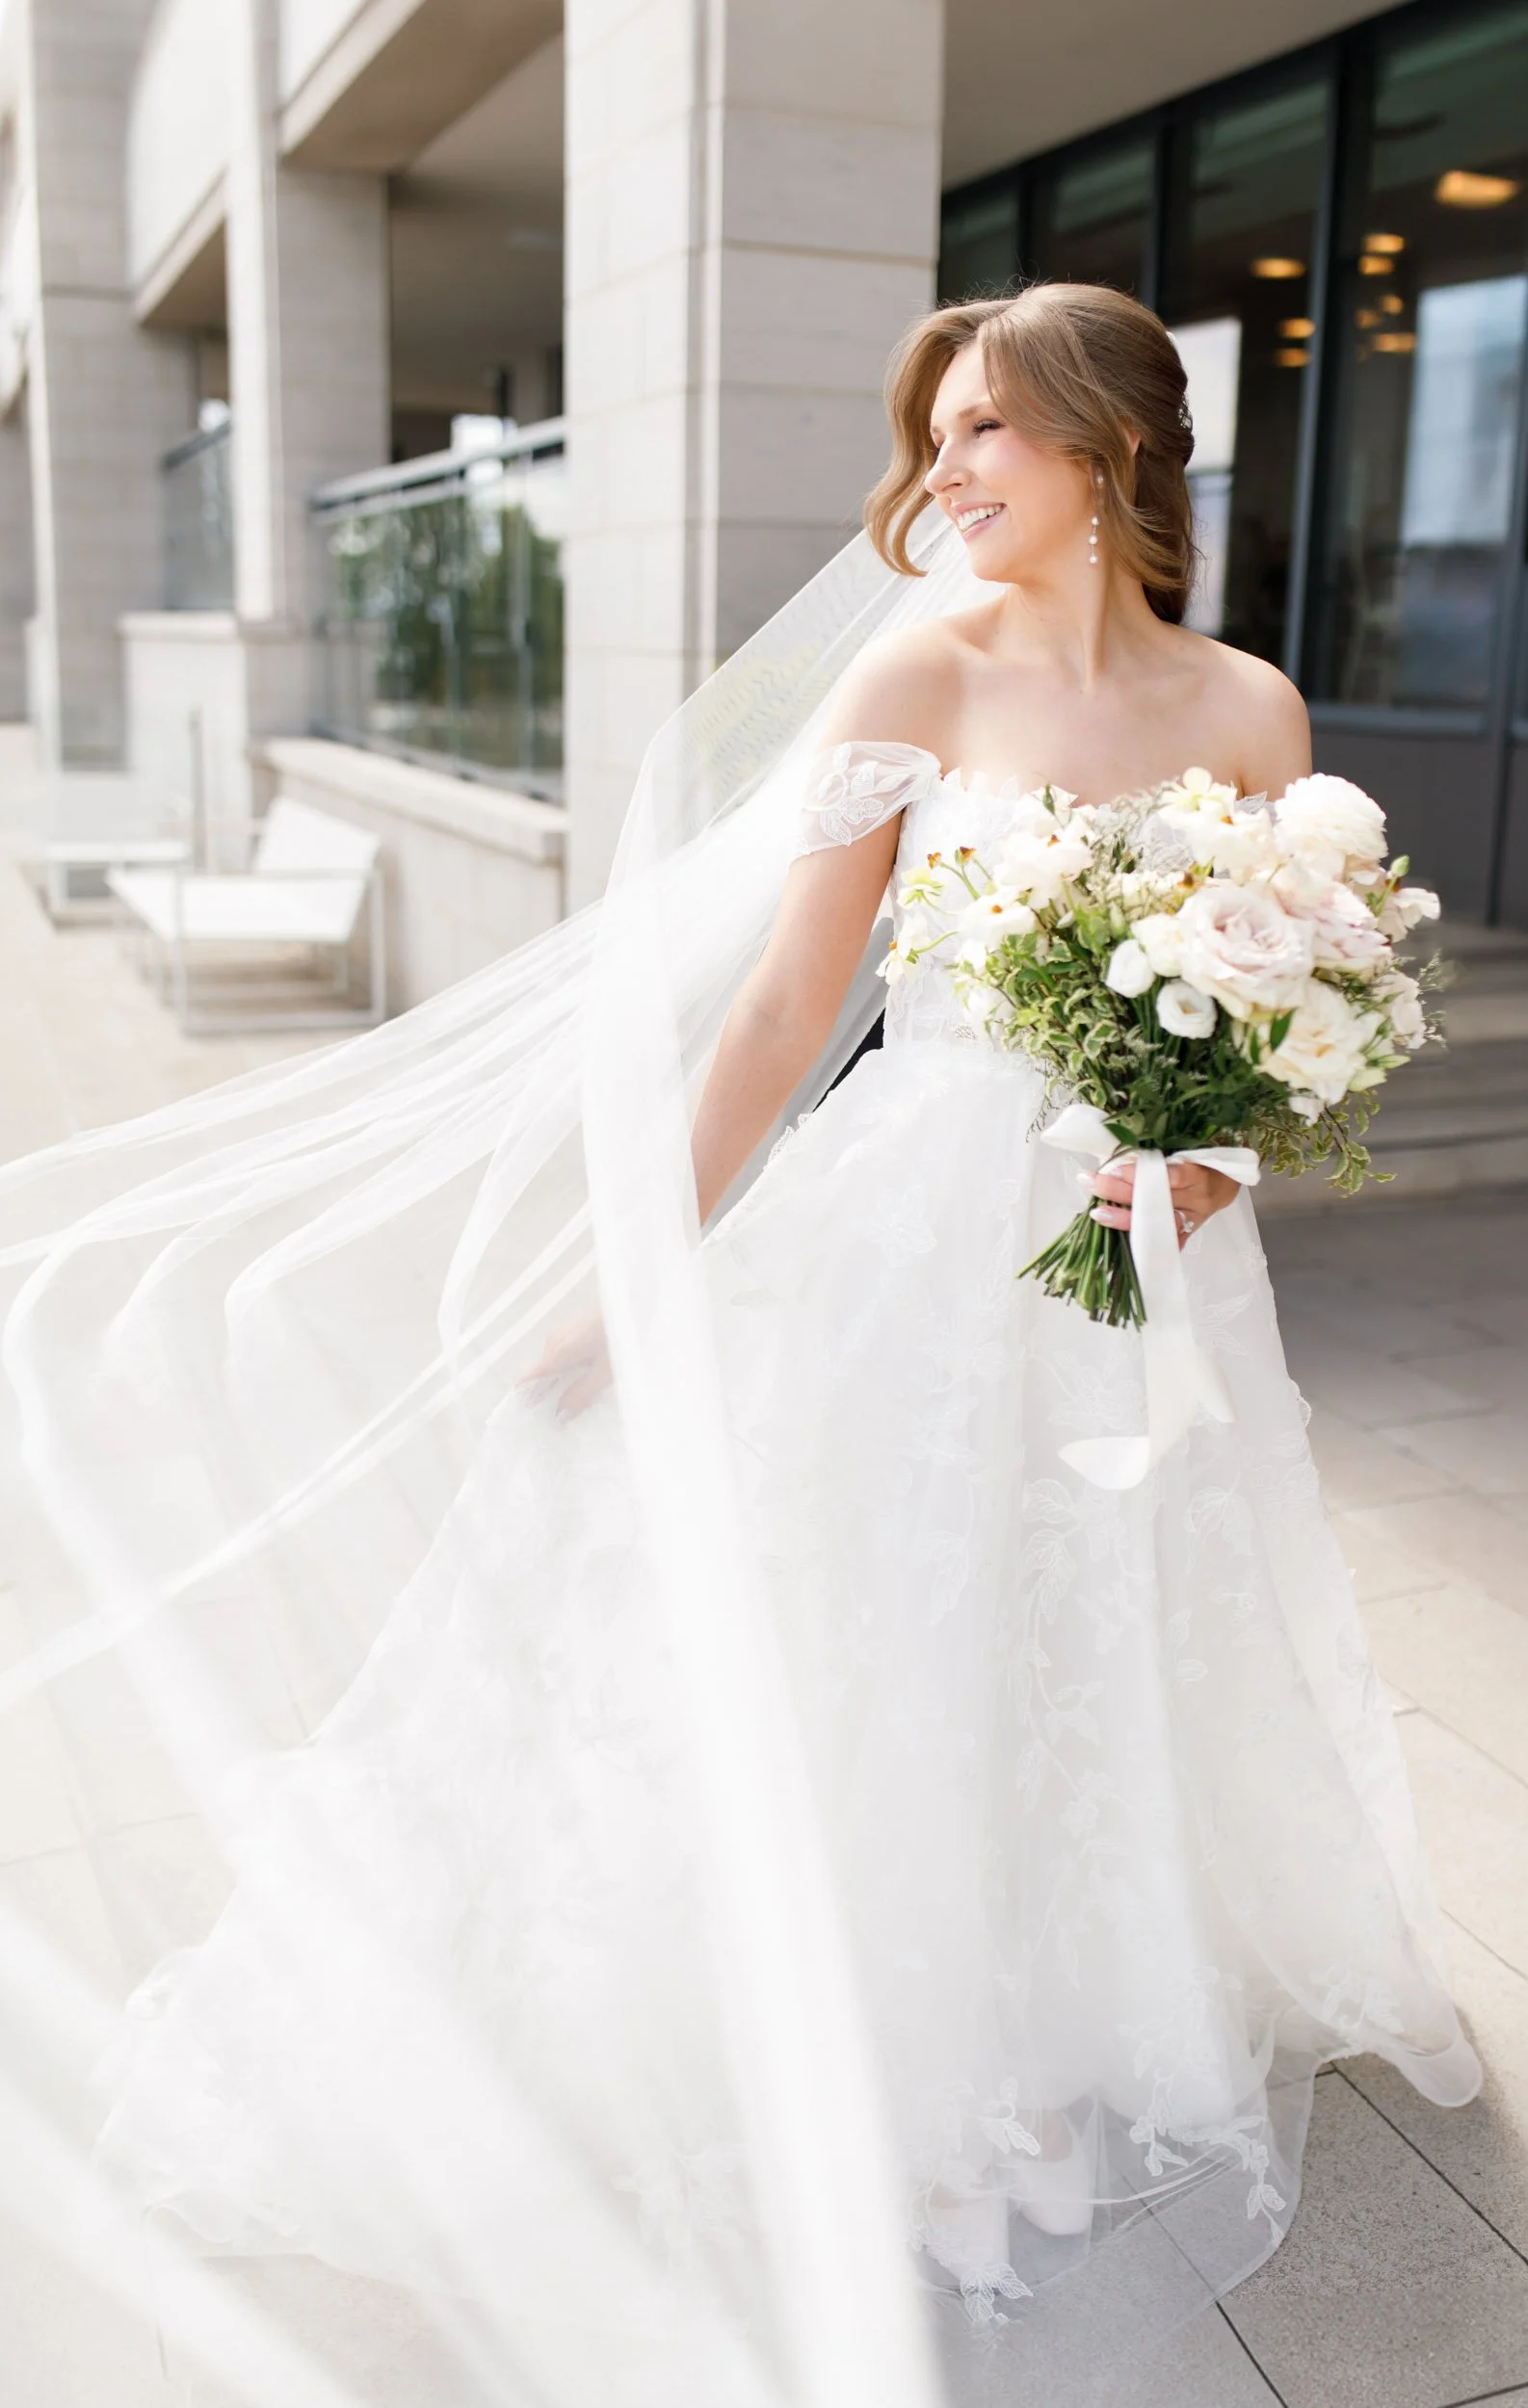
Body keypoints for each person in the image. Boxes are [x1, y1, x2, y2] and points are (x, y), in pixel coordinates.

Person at [2, 286, 1480, 2408]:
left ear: (1112, 450)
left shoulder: (1255, 709)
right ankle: (884, 2056)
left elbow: (1270, 1025)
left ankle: (1071, 2019)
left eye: (984, 432)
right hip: (914, 1228)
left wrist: (1210, 1171)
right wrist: (640, 1264)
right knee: (886, 1629)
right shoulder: (914, 665)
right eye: (935, 436)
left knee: (1102, 1621)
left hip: (1135, 1255)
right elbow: (790, 1010)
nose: (943, 475)